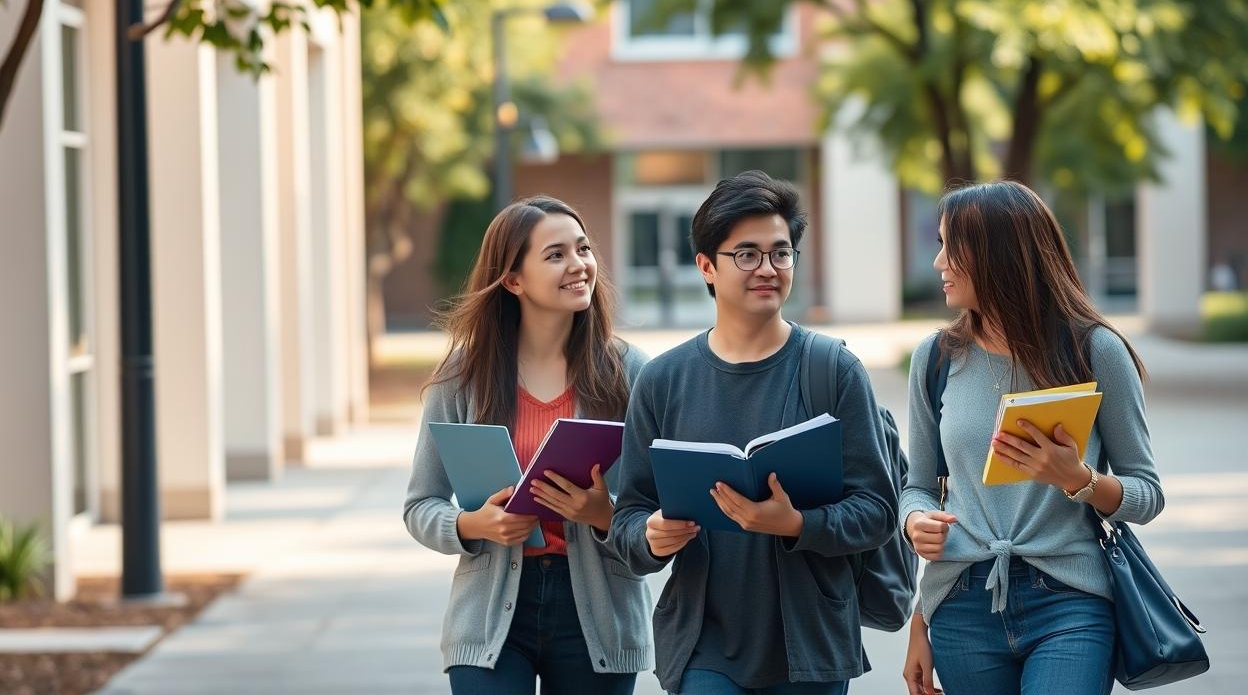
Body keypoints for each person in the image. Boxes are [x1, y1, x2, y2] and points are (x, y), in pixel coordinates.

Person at [605, 170, 898, 695]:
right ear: (706, 267)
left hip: (810, 645)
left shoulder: (833, 370)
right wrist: (650, 536)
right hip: (703, 645)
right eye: (747, 254)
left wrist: (796, 524)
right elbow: (627, 515)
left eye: (780, 253)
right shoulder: (663, 380)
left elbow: (877, 510)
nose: (767, 268)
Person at [900, 180, 1164, 695]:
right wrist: (915, 522)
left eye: (952, 247)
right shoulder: (934, 359)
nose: (939, 263)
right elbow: (918, 486)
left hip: (1071, 599)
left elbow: (1147, 495)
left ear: (1000, 255)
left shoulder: (1096, 351)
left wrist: (1079, 479)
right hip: (961, 605)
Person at [403, 196, 652, 694]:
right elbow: (419, 505)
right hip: (490, 616)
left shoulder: (631, 373)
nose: (579, 265)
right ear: (513, 280)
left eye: (583, 249)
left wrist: (605, 513)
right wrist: (474, 525)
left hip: (598, 618)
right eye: (556, 254)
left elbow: (658, 515)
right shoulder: (461, 377)